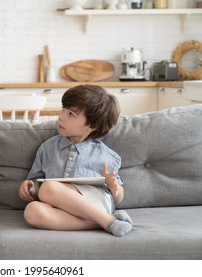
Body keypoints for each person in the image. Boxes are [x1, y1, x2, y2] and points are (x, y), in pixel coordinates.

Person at [18, 84, 133, 237]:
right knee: (32, 211)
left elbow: (118, 198)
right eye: (63, 109)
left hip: (95, 203)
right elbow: (36, 186)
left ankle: (103, 218)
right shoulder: (47, 148)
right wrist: (29, 188)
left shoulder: (106, 155)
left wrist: (114, 186)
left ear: (91, 125)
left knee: (48, 188)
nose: (61, 116)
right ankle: (107, 222)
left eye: (71, 114)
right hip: (60, 208)